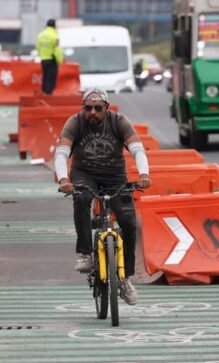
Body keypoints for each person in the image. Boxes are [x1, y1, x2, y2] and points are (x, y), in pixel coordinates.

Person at [54, 88, 151, 305]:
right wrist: (63, 179)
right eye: (88, 108)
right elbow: (61, 153)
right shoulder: (75, 122)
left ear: (107, 108)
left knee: (128, 222)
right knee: (81, 198)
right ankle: (85, 253)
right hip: (84, 175)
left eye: (98, 108)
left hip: (115, 177)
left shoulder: (119, 122)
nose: (93, 112)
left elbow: (137, 149)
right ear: (83, 108)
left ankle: (125, 278)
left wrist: (144, 174)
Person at [36, 18, 63, 94]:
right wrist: (59, 60)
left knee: (45, 76)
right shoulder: (55, 35)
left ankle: (44, 92)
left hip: (43, 59)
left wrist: (42, 55)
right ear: (54, 26)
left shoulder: (40, 35)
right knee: (51, 77)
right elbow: (57, 49)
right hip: (52, 59)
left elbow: (38, 47)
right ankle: (49, 93)